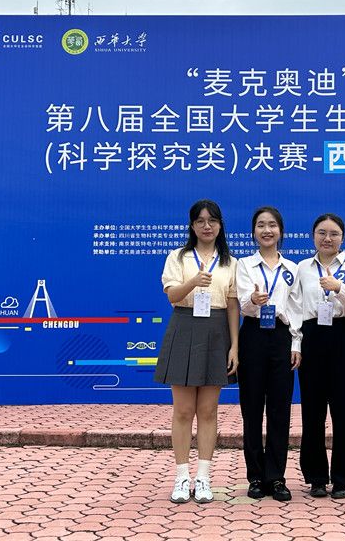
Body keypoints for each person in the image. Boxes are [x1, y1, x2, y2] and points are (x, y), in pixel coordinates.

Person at [153, 199, 239, 504]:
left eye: (212, 221)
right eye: (200, 221)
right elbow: (172, 296)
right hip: (184, 326)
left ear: (220, 225)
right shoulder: (178, 257)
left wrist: (235, 346)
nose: (207, 226)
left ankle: (203, 477)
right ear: (192, 225)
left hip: (217, 331)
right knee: (183, 410)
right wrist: (193, 281)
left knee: (208, 410)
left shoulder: (230, 262)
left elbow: (232, 306)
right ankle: (181, 476)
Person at [297, 213, 345, 499]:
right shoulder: (302, 268)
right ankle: (316, 477)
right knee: (312, 410)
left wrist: (338, 287)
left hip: (344, 334)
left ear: (343, 238)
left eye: (334, 234)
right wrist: (296, 343)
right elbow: (295, 308)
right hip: (312, 335)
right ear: (313, 236)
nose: (327, 238)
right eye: (322, 233)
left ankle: (342, 479)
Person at [236, 206, 303, 501]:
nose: (267, 230)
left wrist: (296, 343)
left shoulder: (292, 269)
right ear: (253, 232)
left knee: (280, 409)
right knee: (251, 408)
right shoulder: (244, 265)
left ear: (281, 231)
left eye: (272, 225)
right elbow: (240, 302)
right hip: (252, 334)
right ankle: (255, 476)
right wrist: (252, 299)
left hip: (281, 336)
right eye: (261, 225)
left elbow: (298, 308)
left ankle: (276, 477)